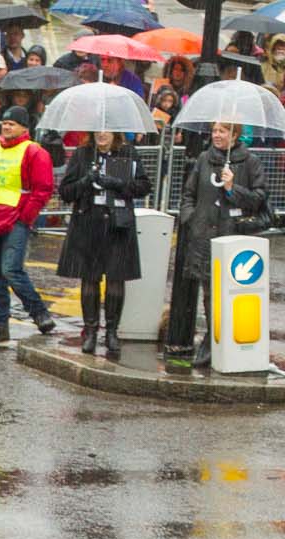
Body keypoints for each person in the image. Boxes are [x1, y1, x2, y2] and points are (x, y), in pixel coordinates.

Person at [169, 121, 270, 368]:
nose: (216, 135)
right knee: (209, 291)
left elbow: (259, 198)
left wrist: (231, 187)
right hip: (204, 235)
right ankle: (212, 341)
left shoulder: (250, 162)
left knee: (230, 292)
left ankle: (217, 341)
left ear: (234, 135)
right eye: (214, 131)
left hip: (233, 235)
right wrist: (191, 218)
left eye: (222, 131)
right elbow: (189, 194)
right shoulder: (204, 158)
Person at [57, 130, 150, 359]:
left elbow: (144, 186)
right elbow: (66, 192)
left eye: (106, 131)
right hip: (88, 224)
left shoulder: (128, 153)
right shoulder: (82, 154)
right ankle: (90, 330)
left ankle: (111, 332)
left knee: (116, 280)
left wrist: (118, 183)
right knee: (89, 278)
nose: (101, 135)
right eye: (98, 130)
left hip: (118, 224)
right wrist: (86, 180)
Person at [0, 105, 57, 347]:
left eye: (12, 123)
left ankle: (39, 313)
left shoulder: (34, 152)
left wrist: (25, 216)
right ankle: (0, 326)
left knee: (11, 270)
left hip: (15, 219)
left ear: (24, 127)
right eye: (5, 122)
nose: (7, 125)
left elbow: (43, 189)